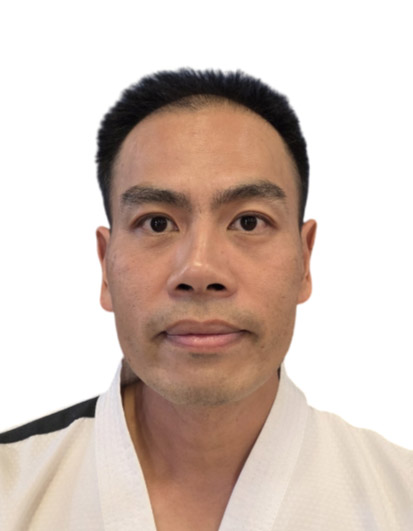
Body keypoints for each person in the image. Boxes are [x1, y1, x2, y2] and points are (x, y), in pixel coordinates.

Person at [0, 69, 412, 531]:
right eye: (157, 223)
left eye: (249, 222)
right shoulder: (11, 493)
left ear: (304, 260)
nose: (199, 270)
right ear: (105, 266)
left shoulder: (401, 500)